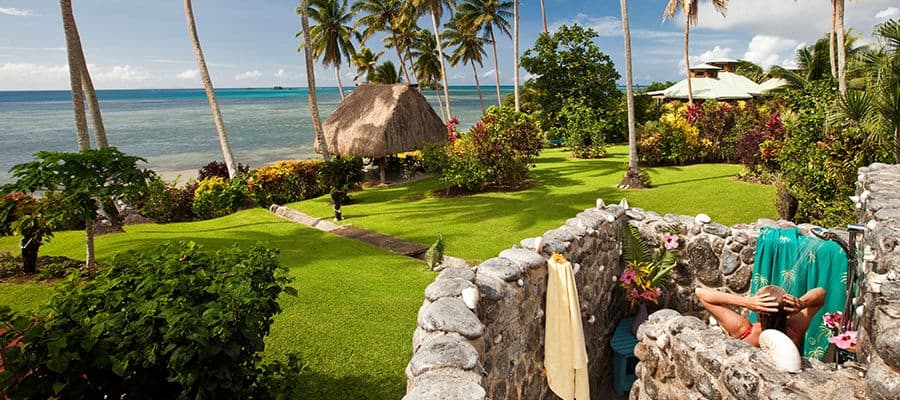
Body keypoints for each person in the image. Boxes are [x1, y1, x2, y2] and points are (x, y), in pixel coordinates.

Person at [695, 285, 825, 348]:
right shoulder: (795, 328)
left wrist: (746, 302)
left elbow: (701, 293)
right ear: (788, 311)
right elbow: (821, 293)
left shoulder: (745, 331)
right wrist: (801, 303)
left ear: (758, 313)